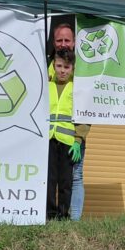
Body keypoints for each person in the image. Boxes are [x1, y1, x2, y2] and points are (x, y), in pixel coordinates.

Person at [50, 23, 90, 221]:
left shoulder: (82, 74)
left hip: (72, 139)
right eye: (59, 40)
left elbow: (86, 109)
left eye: (67, 40)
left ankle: (72, 221)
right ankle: (48, 216)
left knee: (74, 178)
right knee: (49, 179)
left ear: (74, 43)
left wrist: (79, 139)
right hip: (50, 138)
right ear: (54, 43)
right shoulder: (46, 69)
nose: (63, 44)